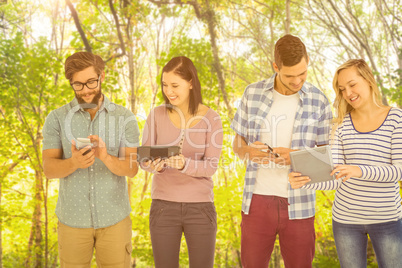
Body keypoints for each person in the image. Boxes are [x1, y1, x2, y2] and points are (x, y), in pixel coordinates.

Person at [231, 34, 333, 268]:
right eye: (290, 75)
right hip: (257, 200)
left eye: (303, 73)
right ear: (275, 67)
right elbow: (237, 143)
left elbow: (326, 157)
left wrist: (295, 157)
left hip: (300, 203)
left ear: (308, 62)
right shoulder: (252, 93)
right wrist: (248, 151)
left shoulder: (319, 100)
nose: (298, 81)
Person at [289, 59, 402, 268]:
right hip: (346, 220)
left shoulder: (396, 118)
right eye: (341, 89)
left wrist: (359, 170)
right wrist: (304, 181)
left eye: (352, 84)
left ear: (368, 80)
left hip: (386, 218)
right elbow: (337, 177)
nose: (348, 93)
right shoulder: (340, 125)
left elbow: (398, 171)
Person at [42, 52, 140, 268]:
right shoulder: (56, 118)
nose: (85, 90)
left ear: (102, 76)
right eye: (78, 85)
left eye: (90, 82)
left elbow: (132, 169)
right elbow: (48, 168)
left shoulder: (125, 118)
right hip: (72, 221)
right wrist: (73, 163)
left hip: (115, 219)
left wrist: (105, 157)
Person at [140, 56, 223, 268]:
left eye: (175, 85)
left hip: (200, 208)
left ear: (191, 83)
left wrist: (185, 164)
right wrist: (153, 165)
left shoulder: (211, 118)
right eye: (165, 85)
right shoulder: (156, 114)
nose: (169, 91)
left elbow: (211, 166)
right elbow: (144, 159)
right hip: (163, 207)